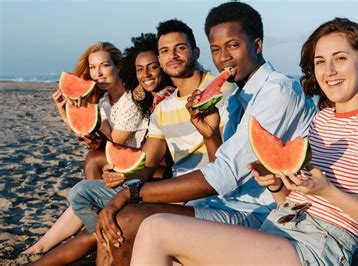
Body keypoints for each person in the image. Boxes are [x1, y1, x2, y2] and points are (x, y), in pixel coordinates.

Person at [130, 17, 358, 265]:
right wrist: (277, 185)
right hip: (278, 227)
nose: (329, 71)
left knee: (156, 228)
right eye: (320, 62)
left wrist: (328, 192)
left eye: (340, 58)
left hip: (317, 247)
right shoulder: (323, 119)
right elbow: (294, 199)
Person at [69, 4, 316, 264]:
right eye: (216, 49)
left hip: (259, 213)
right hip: (224, 204)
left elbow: (226, 175)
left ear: (257, 45)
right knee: (121, 218)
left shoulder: (278, 91)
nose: (223, 58)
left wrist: (132, 192)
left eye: (233, 46)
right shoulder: (237, 97)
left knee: (127, 219)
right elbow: (223, 164)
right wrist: (210, 136)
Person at [65, 19, 236, 264]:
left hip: (204, 191)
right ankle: (107, 244)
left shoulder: (224, 93)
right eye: (165, 50)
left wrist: (130, 192)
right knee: (81, 193)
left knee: (123, 218)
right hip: (171, 187)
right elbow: (147, 162)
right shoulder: (163, 107)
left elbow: (223, 169)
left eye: (180, 48)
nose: (172, 55)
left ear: (196, 52)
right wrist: (123, 174)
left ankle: (114, 248)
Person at [24, 37, 175, 264]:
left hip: (145, 169)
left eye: (104, 65)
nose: (98, 73)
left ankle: (92, 234)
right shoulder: (104, 100)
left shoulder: (132, 99)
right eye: (93, 68)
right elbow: (86, 131)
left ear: (118, 67)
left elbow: (113, 140)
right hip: (124, 168)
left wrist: (83, 114)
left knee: (93, 162)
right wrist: (67, 111)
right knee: (91, 166)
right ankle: (56, 240)